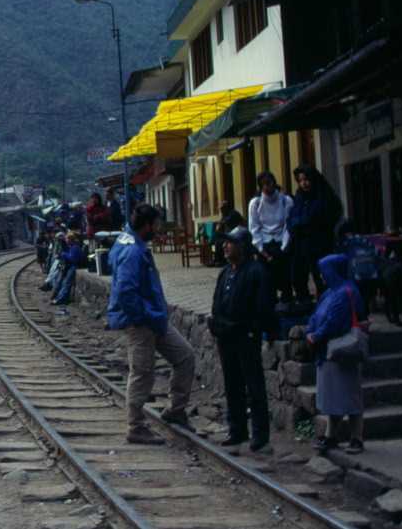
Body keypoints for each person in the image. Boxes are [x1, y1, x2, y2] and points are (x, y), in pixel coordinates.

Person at [108, 204, 196, 444]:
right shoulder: (133, 252)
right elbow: (126, 292)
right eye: (156, 225)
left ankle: (176, 410)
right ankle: (135, 426)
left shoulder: (131, 243)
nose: (158, 229)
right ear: (146, 225)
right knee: (142, 372)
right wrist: (144, 316)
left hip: (154, 318)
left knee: (185, 356)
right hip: (142, 322)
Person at [210, 227, 275, 452]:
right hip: (226, 338)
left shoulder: (256, 272)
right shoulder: (225, 273)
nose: (226, 247)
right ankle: (237, 429)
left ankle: (260, 434)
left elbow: (263, 307)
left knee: (254, 385)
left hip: (246, 337)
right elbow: (217, 303)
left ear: (243, 246)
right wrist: (217, 325)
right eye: (225, 243)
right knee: (232, 385)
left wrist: (254, 330)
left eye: (231, 243)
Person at [307, 254, 367, 454]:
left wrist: (316, 335)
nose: (322, 276)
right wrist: (311, 330)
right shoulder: (331, 292)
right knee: (333, 397)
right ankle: (331, 435)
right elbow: (317, 316)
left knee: (350, 396)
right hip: (327, 352)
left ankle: (356, 437)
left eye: (325, 271)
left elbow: (334, 321)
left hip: (342, 351)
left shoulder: (345, 292)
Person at [289, 164, 343, 303]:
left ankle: (327, 301)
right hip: (303, 243)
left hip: (321, 243)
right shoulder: (300, 197)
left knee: (322, 275)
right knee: (299, 275)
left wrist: (305, 221)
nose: (303, 184)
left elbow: (327, 215)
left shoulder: (324, 195)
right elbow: (293, 217)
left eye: (306, 179)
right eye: (300, 181)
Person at [248, 171, 294, 308]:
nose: (266, 188)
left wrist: (284, 247)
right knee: (267, 283)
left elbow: (288, 225)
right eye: (263, 185)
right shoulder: (255, 203)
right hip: (264, 245)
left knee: (285, 280)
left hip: (282, 243)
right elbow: (254, 228)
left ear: (274, 183)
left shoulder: (286, 201)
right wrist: (263, 251)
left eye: (269, 183)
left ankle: (287, 308)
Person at [336, 219, 386, 322]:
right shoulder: (364, 240)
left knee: (356, 301)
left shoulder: (344, 243)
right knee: (365, 299)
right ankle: (364, 318)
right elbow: (377, 254)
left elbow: (340, 260)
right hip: (372, 276)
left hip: (356, 278)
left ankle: (360, 321)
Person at [52, 232, 84, 307]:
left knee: (67, 282)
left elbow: (73, 258)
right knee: (63, 282)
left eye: (67, 238)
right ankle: (58, 297)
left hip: (74, 266)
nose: (65, 240)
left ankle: (60, 299)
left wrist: (64, 254)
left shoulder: (75, 247)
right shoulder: (71, 246)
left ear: (70, 239)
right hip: (71, 265)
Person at [213, 201, 245, 266]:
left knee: (220, 242)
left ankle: (221, 261)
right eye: (220, 209)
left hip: (236, 234)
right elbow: (221, 222)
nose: (221, 211)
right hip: (229, 234)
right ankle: (217, 260)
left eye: (222, 209)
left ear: (226, 208)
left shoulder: (233, 213)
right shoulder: (225, 214)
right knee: (217, 241)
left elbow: (225, 221)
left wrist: (220, 224)